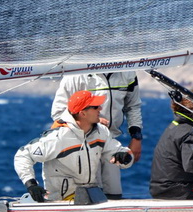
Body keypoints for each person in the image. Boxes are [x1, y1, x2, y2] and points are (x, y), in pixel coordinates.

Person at [15, 90, 134, 202]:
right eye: (95, 107)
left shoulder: (101, 132)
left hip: (90, 198)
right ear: (82, 113)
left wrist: (125, 157)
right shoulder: (59, 137)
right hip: (60, 203)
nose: (100, 108)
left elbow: (123, 154)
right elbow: (23, 155)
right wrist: (31, 185)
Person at [51, 71, 142, 199]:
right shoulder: (74, 74)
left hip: (110, 141)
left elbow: (133, 106)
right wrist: (94, 122)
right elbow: (58, 113)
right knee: (88, 196)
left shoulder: (127, 72)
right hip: (82, 145)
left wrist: (136, 136)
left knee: (113, 195)